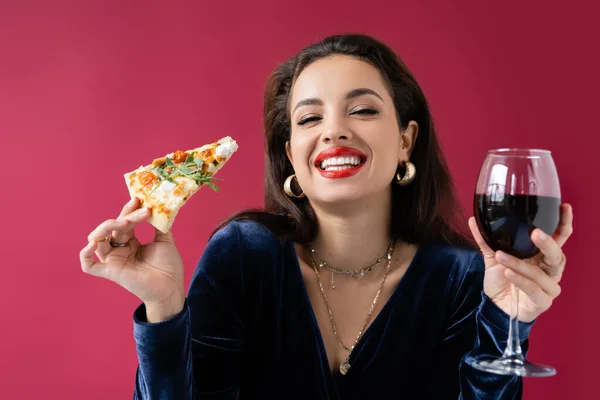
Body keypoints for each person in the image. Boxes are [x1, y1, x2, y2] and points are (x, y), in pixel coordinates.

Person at [80, 33, 573, 399]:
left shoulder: (463, 276)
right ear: (291, 154)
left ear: (406, 140)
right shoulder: (243, 256)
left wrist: (506, 319)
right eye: (310, 118)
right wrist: (164, 306)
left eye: (361, 110)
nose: (333, 131)